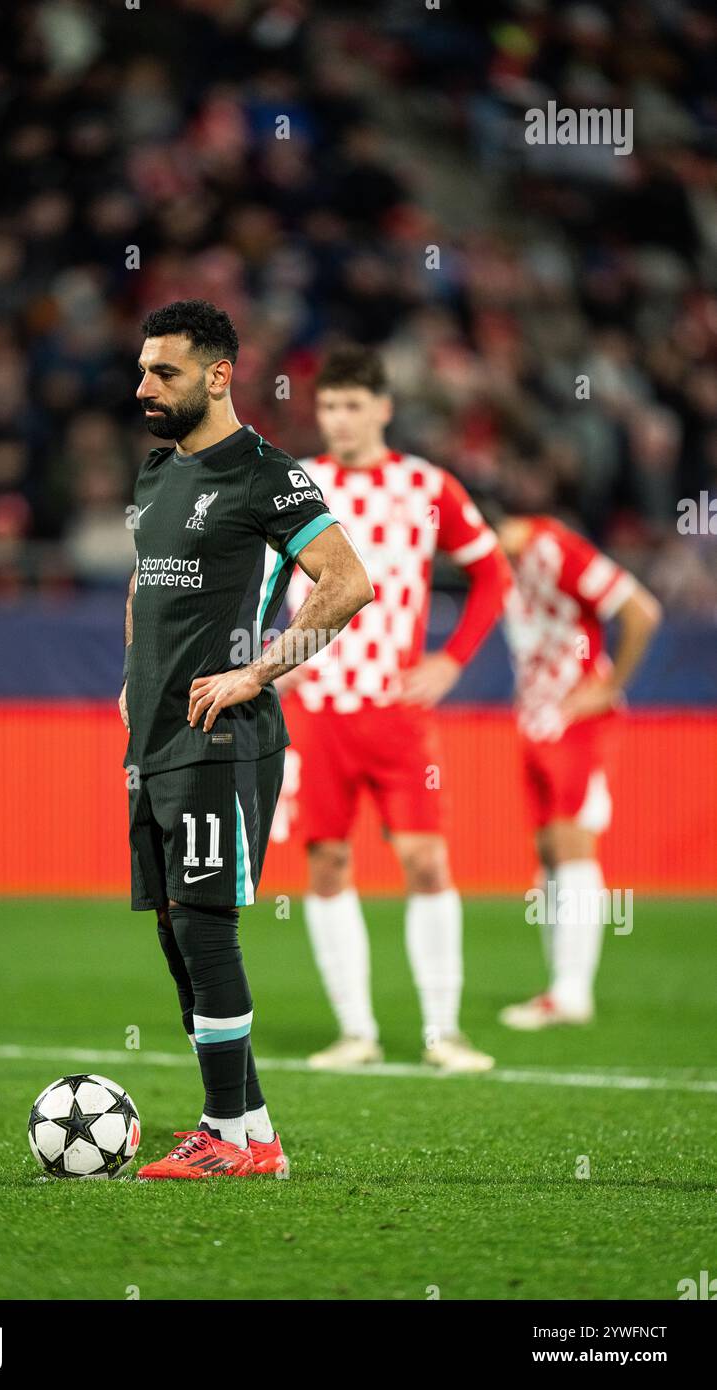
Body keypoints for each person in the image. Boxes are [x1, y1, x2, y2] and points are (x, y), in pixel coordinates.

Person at [118, 301, 374, 1178]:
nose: (144, 386)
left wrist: (256, 673)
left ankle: (234, 1134)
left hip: (224, 737)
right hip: (152, 738)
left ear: (219, 376)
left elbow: (348, 584)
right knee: (171, 927)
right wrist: (129, 682)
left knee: (204, 923)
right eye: (144, 369)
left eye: (165, 372)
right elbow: (142, 590)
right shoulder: (154, 476)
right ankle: (243, 1126)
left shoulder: (268, 474)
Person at [277, 346, 511, 1072]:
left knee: (425, 860)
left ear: (383, 408)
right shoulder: (298, 484)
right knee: (327, 863)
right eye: (327, 406)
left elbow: (492, 572)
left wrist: (452, 659)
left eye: (352, 405)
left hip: (395, 708)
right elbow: (261, 578)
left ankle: (444, 1032)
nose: (338, 419)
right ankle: (357, 1032)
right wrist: (268, 659)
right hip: (317, 706)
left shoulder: (427, 485)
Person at [495, 507, 662, 1029]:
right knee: (549, 849)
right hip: (539, 718)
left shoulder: (554, 548)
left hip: (577, 719)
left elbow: (642, 610)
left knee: (571, 842)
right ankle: (560, 985)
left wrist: (609, 689)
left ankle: (571, 994)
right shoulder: (511, 567)